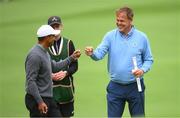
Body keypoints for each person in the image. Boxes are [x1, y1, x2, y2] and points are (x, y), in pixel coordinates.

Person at [85, 7, 153, 117]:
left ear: (131, 20)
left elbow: (148, 59)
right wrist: (92, 53)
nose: (118, 23)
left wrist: (142, 70)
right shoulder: (110, 36)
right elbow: (99, 54)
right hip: (115, 87)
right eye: (117, 20)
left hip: (136, 86)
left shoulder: (142, 37)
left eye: (122, 21)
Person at [25, 24, 81, 117]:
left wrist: (72, 57)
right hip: (37, 100)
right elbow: (31, 81)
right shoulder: (35, 55)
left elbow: (55, 66)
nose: (55, 39)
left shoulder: (44, 52)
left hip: (48, 98)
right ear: (47, 38)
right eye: (52, 36)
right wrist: (40, 102)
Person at [47, 16, 78, 117]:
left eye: (57, 26)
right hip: (49, 91)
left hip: (66, 90)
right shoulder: (45, 45)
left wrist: (66, 73)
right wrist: (50, 75)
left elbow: (74, 66)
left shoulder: (68, 43)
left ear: (61, 27)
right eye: (52, 27)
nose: (55, 29)